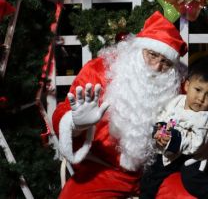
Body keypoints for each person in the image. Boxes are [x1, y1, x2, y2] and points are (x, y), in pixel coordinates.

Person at [52, 11, 188, 198]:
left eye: (165, 63)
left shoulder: (179, 85)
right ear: (138, 49)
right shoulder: (101, 69)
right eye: (152, 55)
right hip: (106, 169)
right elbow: (65, 111)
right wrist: (76, 123)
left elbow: (203, 119)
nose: (156, 67)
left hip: (160, 171)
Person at [140, 61, 208, 199]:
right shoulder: (176, 102)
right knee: (151, 173)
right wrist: (160, 132)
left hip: (192, 155)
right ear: (187, 86)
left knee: (192, 178)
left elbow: (196, 144)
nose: (201, 98)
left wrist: (173, 139)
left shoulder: (205, 118)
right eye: (198, 90)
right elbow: (164, 115)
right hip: (170, 148)